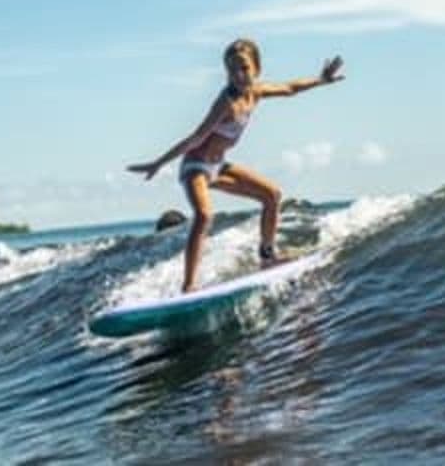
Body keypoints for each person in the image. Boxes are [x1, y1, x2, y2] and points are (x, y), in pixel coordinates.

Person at [128, 38, 345, 292]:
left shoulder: (257, 92)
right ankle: (188, 286)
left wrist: (321, 80)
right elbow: (196, 138)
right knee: (204, 215)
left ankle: (267, 257)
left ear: (256, 68)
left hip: (218, 166)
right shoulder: (226, 103)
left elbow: (289, 88)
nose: (238, 75)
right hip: (195, 166)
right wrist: (158, 163)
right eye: (232, 70)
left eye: (244, 68)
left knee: (272, 195)